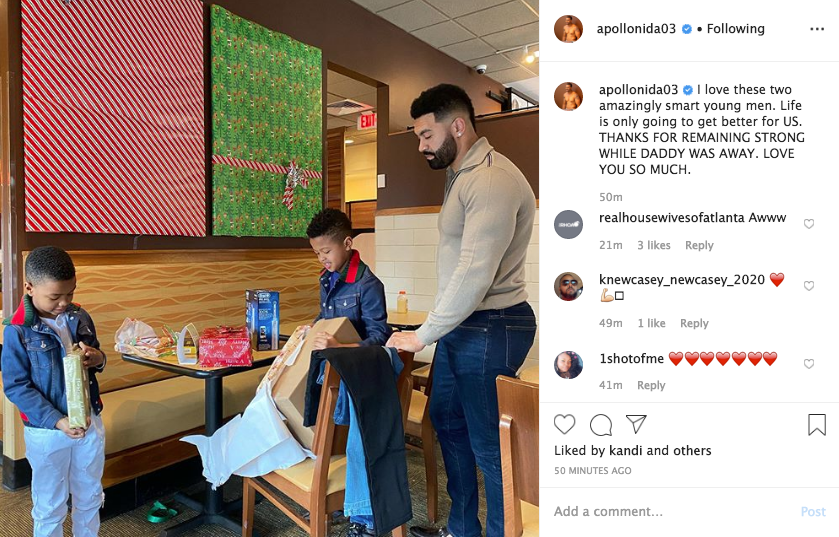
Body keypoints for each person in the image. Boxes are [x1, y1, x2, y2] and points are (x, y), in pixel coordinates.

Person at [387, 84, 537, 537]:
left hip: (492, 324)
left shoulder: (490, 179)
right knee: (448, 420)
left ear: (457, 126)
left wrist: (422, 334)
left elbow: (474, 271)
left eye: (426, 135)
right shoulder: (462, 174)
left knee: (488, 442)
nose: (421, 146)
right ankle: (462, 528)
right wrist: (438, 327)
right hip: (468, 325)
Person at [2, 246, 107, 537]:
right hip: (47, 430)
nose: (64, 303)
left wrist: (97, 358)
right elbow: (16, 386)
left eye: (70, 293)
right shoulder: (17, 330)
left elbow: (96, 356)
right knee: (50, 503)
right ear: (29, 288)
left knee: (90, 495)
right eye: (55, 296)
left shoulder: (78, 316)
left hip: (89, 420)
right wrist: (57, 420)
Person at [306, 208, 392, 537]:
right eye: (317, 253)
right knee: (324, 437)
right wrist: (312, 328)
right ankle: (334, 501)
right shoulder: (327, 278)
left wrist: (340, 345)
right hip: (330, 375)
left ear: (346, 243)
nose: (322, 259)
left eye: (326, 251)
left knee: (357, 446)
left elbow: (379, 337)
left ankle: (365, 517)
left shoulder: (368, 285)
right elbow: (326, 318)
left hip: (357, 378)